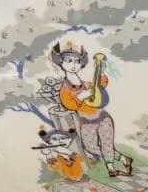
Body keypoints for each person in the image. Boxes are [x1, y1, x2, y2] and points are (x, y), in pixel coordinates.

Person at [51, 42, 132, 178]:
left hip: (102, 117)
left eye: (77, 61)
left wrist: (101, 71)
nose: (74, 64)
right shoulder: (64, 89)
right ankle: (123, 158)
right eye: (69, 61)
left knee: (107, 143)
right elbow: (69, 105)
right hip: (86, 122)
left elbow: (101, 84)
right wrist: (81, 96)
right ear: (61, 62)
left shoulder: (86, 84)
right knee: (90, 147)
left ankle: (111, 168)